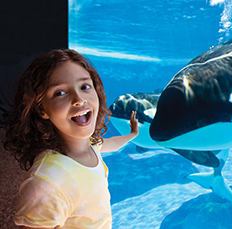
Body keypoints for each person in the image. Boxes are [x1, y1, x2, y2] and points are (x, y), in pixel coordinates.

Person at [2, 49, 139, 228]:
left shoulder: (90, 145)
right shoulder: (46, 182)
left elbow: (111, 144)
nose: (79, 99)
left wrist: (132, 135)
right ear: (41, 109)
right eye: (60, 93)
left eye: (84, 87)